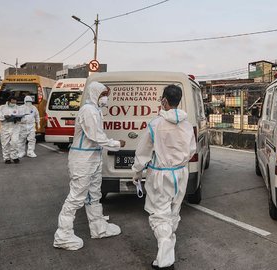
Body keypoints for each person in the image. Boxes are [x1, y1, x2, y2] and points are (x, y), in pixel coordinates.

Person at [53, 82, 126, 251]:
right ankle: (63, 235)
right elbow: (95, 136)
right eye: (103, 94)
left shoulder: (95, 110)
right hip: (82, 159)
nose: (105, 98)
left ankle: (98, 227)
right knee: (77, 196)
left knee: (94, 194)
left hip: (93, 158)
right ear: (95, 94)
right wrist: (116, 143)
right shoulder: (88, 111)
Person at [131, 85, 196, 269]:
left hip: (161, 175)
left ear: (165, 100)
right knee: (173, 213)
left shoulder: (156, 124)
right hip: (181, 174)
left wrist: (137, 171)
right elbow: (191, 150)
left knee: (159, 215)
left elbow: (143, 152)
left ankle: (166, 260)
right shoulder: (186, 124)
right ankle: (164, 255)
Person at [0, 94, 22, 164]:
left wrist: (19, 118)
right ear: (8, 101)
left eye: (15, 102)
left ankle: (14, 156)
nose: (14, 104)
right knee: (5, 144)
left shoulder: (18, 108)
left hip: (15, 127)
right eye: (12, 102)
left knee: (15, 142)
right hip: (5, 128)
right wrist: (4, 117)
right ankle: (7, 158)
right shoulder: (1, 108)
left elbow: (22, 116)